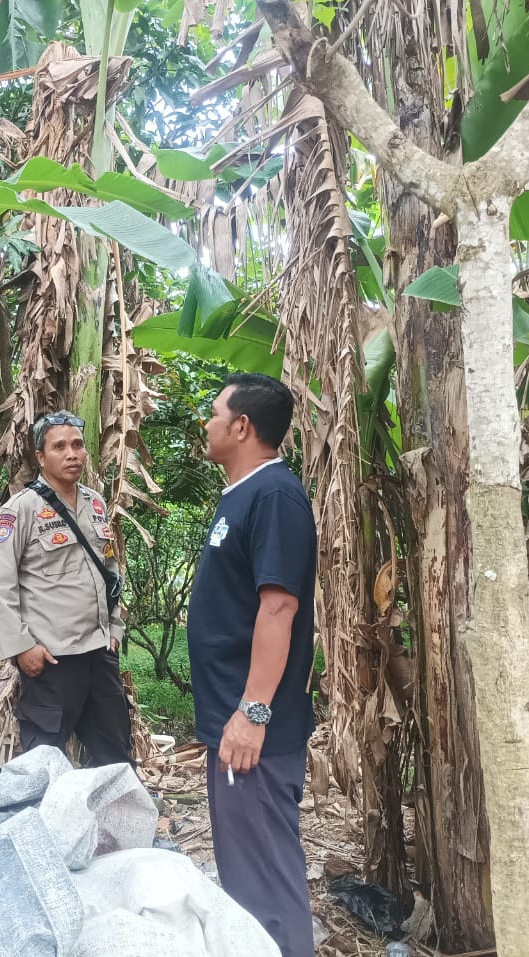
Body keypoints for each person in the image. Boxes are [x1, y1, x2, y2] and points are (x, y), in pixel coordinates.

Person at [186, 372, 317, 956]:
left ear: (242, 426)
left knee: (265, 872)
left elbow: (279, 607)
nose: (207, 423)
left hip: (253, 728)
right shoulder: (243, 494)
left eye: (215, 414)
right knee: (243, 869)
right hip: (232, 722)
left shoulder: (275, 496)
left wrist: (252, 712)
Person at [0, 411, 132, 766]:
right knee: (43, 763)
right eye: (60, 446)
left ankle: (119, 818)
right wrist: (21, 647)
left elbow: (111, 569)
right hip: (52, 660)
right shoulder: (20, 510)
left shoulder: (95, 503)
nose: (72, 454)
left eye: (78, 445)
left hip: (99, 653)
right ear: (40, 457)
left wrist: (114, 628)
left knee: (116, 755)